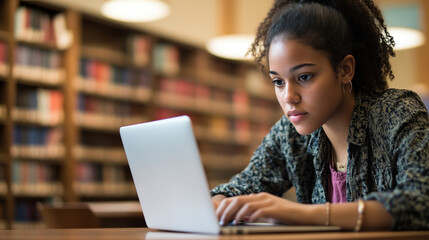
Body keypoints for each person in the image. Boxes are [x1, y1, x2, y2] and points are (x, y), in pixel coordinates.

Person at [210, 0, 429, 231]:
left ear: (345, 70)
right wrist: (219, 204)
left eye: (304, 77)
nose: (289, 97)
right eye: (278, 82)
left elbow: (421, 201)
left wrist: (298, 213)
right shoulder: (288, 134)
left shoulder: (397, 112)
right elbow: (238, 188)